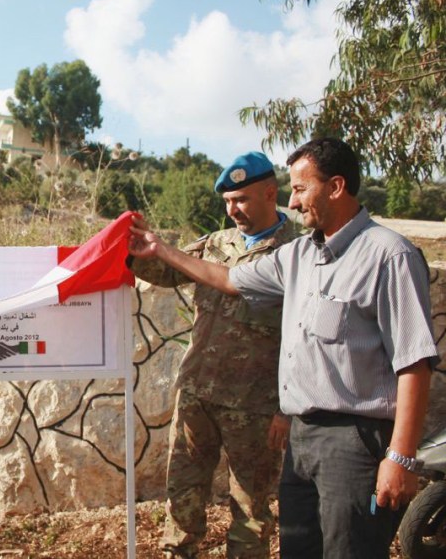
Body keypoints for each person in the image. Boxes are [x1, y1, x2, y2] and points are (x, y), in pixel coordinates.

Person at [128, 137, 439, 558]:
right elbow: (227, 280)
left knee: (349, 550)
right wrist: (159, 248)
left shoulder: (389, 256)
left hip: (353, 444)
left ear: (336, 186)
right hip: (304, 443)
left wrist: (400, 458)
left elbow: (414, 363)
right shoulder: (298, 255)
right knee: (299, 549)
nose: (292, 203)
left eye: (299, 189)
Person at [131, 151, 299, 558]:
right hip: (197, 396)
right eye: (227, 202)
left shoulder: (298, 251)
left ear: (269, 192)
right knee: (182, 500)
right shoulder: (214, 244)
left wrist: (286, 409)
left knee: (251, 509)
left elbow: (304, 336)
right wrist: (134, 246)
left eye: (240, 199)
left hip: (256, 406)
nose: (232, 209)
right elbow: (165, 272)